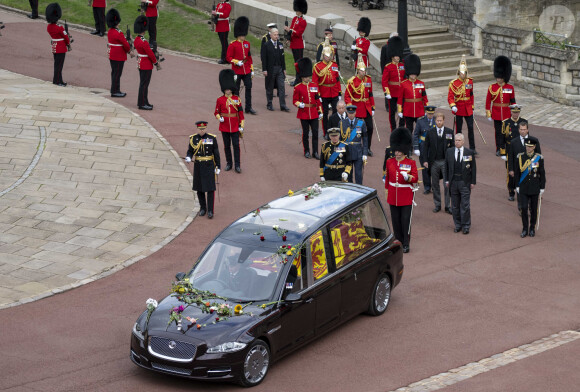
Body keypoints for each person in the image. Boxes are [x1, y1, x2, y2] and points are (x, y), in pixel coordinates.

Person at [384, 127, 418, 253]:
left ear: (404, 150)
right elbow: (387, 178)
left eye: (399, 151)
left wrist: (408, 177)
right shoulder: (389, 162)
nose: (397, 153)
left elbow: (415, 178)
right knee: (395, 221)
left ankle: (406, 243)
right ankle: (398, 241)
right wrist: (387, 190)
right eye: (396, 150)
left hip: (406, 195)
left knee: (405, 221)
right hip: (393, 194)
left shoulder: (411, 162)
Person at [185, 121, 221, 219]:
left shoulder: (211, 138)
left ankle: (210, 211)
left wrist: (218, 166)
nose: (202, 131)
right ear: (197, 129)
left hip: (209, 165)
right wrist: (188, 157)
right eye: (200, 129)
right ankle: (203, 208)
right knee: (199, 189)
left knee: (210, 189)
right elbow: (190, 151)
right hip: (198, 166)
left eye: (203, 129)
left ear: (206, 128)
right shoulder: (193, 138)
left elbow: (216, 153)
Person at [444, 133, 476, 234]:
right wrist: (446, 180)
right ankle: (457, 225)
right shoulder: (449, 151)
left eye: (459, 140)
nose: (456, 142)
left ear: (463, 141)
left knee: (465, 205)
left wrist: (473, 182)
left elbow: (473, 168)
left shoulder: (469, 152)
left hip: (464, 182)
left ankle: (466, 225)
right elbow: (446, 167)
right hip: (453, 182)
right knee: (455, 205)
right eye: (456, 140)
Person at [344, 53, 375, 156]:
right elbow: (347, 96)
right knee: (357, 130)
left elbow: (370, 94)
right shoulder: (352, 82)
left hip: (366, 108)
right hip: (357, 108)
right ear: (358, 71)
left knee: (370, 128)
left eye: (365, 70)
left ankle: (368, 148)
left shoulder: (368, 80)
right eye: (362, 70)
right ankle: (355, 147)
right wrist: (350, 107)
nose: (364, 72)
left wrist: (373, 107)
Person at [423, 112, 454, 214]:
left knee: (447, 185)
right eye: (437, 120)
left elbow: (453, 147)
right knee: (435, 184)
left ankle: (448, 206)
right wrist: (425, 160)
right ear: (435, 121)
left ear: (444, 121)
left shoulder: (449, 132)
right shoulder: (430, 132)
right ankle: (437, 204)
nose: (439, 122)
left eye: (441, 120)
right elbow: (425, 147)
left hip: (446, 162)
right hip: (434, 162)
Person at [215, 69, 244, 173]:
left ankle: (237, 165)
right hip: (224, 126)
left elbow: (240, 113)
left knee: (236, 146)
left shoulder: (237, 99)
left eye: (229, 89)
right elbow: (216, 112)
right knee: (226, 146)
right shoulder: (220, 100)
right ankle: (229, 163)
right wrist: (219, 117)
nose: (227, 90)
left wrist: (241, 125)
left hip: (235, 126)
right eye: (226, 89)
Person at [508, 122, 541, 214]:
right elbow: (510, 157)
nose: (523, 131)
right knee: (520, 190)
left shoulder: (534, 141)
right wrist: (511, 169)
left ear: (527, 130)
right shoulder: (514, 142)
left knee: (531, 189)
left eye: (524, 129)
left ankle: (530, 207)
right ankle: (522, 208)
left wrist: (539, 170)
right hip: (519, 170)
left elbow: (539, 155)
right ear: (518, 130)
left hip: (531, 170)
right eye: (521, 129)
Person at [514, 138, 545, 238]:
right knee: (523, 208)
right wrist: (517, 185)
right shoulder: (520, 157)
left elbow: (542, 173)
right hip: (523, 187)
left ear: (534, 147)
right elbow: (517, 173)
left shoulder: (539, 158)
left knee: (534, 209)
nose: (529, 148)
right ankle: (524, 228)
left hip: (535, 187)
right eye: (527, 146)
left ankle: (532, 228)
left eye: (531, 147)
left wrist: (542, 187)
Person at [486, 55, 516, 155]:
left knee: (507, 132)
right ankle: (498, 148)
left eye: (500, 77)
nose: (498, 79)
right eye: (497, 77)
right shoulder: (492, 87)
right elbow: (488, 101)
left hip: (507, 113)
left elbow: (513, 101)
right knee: (498, 132)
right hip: (496, 113)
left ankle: (506, 148)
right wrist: (488, 113)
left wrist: (514, 112)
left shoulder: (510, 87)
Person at [293, 57, 322, 159]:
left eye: (308, 76)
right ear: (302, 77)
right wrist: (299, 104)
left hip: (314, 112)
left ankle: (315, 152)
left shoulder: (314, 86)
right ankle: (307, 151)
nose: (307, 78)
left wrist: (320, 111)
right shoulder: (298, 87)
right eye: (305, 77)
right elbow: (294, 100)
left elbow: (317, 100)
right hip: (304, 113)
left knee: (315, 133)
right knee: (305, 133)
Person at [227, 16, 256, 115]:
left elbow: (249, 57)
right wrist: (236, 62)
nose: (244, 36)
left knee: (249, 87)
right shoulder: (233, 45)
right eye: (242, 34)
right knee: (236, 90)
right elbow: (228, 57)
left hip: (246, 70)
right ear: (239, 35)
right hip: (237, 71)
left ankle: (249, 107)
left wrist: (251, 69)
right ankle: (237, 107)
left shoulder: (247, 44)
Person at [312, 37, 341, 139]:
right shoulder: (318, 66)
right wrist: (317, 94)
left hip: (333, 91)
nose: (328, 57)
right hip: (323, 92)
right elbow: (315, 82)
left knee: (335, 113)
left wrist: (339, 92)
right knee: (324, 114)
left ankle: (335, 130)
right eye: (326, 56)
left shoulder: (334, 65)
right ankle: (326, 132)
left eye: (329, 56)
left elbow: (337, 79)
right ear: (323, 55)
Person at [448, 55, 476, 152]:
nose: (463, 75)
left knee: (471, 128)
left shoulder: (470, 81)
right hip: (459, 107)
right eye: (461, 73)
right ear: (459, 73)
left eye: (464, 73)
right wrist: (453, 106)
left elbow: (471, 95)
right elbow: (450, 97)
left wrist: (472, 106)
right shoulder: (454, 83)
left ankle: (472, 147)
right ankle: (458, 146)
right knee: (458, 129)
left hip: (468, 108)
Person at [499, 104, 526, 201]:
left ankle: (521, 189)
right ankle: (511, 191)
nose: (515, 114)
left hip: (521, 150)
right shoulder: (506, 123)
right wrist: (502, 152)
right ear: (511, 112)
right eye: (514, 112)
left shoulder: (523, 122)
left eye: (517, 112)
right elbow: (502, 138)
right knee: (510, 172)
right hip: (510, 150)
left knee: (522, 170)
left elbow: (526, 138)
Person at [134, 15, 160, 110]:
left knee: (143, 84)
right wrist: (156, 63)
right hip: (146, 65)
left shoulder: (137, 40)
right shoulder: (144, 42)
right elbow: (150, 54)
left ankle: (145, 101)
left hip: (141, 63)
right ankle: (142, 103)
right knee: (144, 85)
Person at [398, 54, 428, 132]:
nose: (413, 75)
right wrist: (399, 110)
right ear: (408, 73)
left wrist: (426, 109)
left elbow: (424, 97)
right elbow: (400, 99)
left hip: (419, 110)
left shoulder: (421, 83)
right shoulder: (403, 84)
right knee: (409, 130)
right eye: (411, 74)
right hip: (408, 111)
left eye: (414, 74)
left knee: (420, 130)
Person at [261, 28, 289, 112]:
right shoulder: (266, 45)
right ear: (271, 35)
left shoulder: (280, 44)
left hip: (279, 68)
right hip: (270, 69)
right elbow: (264, 58)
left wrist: (284, 68)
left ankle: (283, 105)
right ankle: (269, 104)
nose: (277, 36)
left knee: (281, 87)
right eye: (275, 35)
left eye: (277, 35)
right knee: (270, 87)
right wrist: (264, 69)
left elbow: (282, 57)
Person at [106, 9, 132, 98]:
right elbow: (126, 45)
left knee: (115, 73)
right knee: (117, 74)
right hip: (118, 56)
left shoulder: (110, 31)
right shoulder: (118, 33)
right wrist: (129, 50)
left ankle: (115, 89)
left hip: (112, 55)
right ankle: (115, 91)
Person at [382, 35, 405, 132]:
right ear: (392, 56)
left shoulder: (402, 65)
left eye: (398, 55)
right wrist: (387, 93)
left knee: (402, 111)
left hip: (401, 92)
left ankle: (401, 127)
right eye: (396, 56)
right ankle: (393, 129)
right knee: (392, 112)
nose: (398, 57)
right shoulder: (388, 67)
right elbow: (384, 81)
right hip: (392, 92)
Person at [340, 104, 368, 184]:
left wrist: (365, 153)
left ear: (355, 113)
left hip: (358, 152)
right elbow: (340, 139)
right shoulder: (342, 123)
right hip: (347, 152)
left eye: (352, 113)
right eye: (349, 113)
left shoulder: (361, 123)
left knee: (358, 175)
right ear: (347, 113)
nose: (351, 115)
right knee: (348, 175)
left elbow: (365, 138)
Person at [413, 105, 436, 194]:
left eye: (432, 114)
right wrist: (416, 147)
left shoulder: (436, 120)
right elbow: (415, 135)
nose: (430, 115)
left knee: (434, 168)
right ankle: (427, 187)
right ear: (426, 112)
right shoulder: (420, 121)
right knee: (425, 167)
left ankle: (434, 186)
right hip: (423, 147)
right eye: (429, 113)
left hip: (433, 147)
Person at [46, 3, 69, 87]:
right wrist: (68, 43)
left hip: (55, 47)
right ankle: (57, 81)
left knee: (58, 65)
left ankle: (60, 80)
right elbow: (66, 38)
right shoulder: (59, 27)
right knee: (59, 66)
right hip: (61, 48)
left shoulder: (49, 27)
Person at [285, 0, 307, 71]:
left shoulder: (303, 21)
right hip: (293, 44)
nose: (296, 11)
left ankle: (299, 78)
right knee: (295, 62)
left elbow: (298, 33)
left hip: (298, 45)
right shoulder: (295, 18)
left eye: (297, 9)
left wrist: (290, 30)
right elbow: (291, 29)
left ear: (300, 10)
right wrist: (288, 38)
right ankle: (297, 79)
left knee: (299, 63)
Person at [260, 23, 280, 98]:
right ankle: (269, 90)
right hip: (268, 61)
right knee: (269, 78)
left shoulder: (276, 36)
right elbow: (263, 51)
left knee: (277, 78)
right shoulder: (265, 37)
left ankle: (278, 91)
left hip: (276, 61)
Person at [213, 0, 231, 65]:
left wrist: (216, 13)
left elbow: (225, 15)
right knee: (223, 43)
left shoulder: (227, 5)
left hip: (224, 26)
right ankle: (226, 58)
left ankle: (225, 59)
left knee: (224, 43)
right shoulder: (219, 4)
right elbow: (217, 14)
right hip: (219, 26)